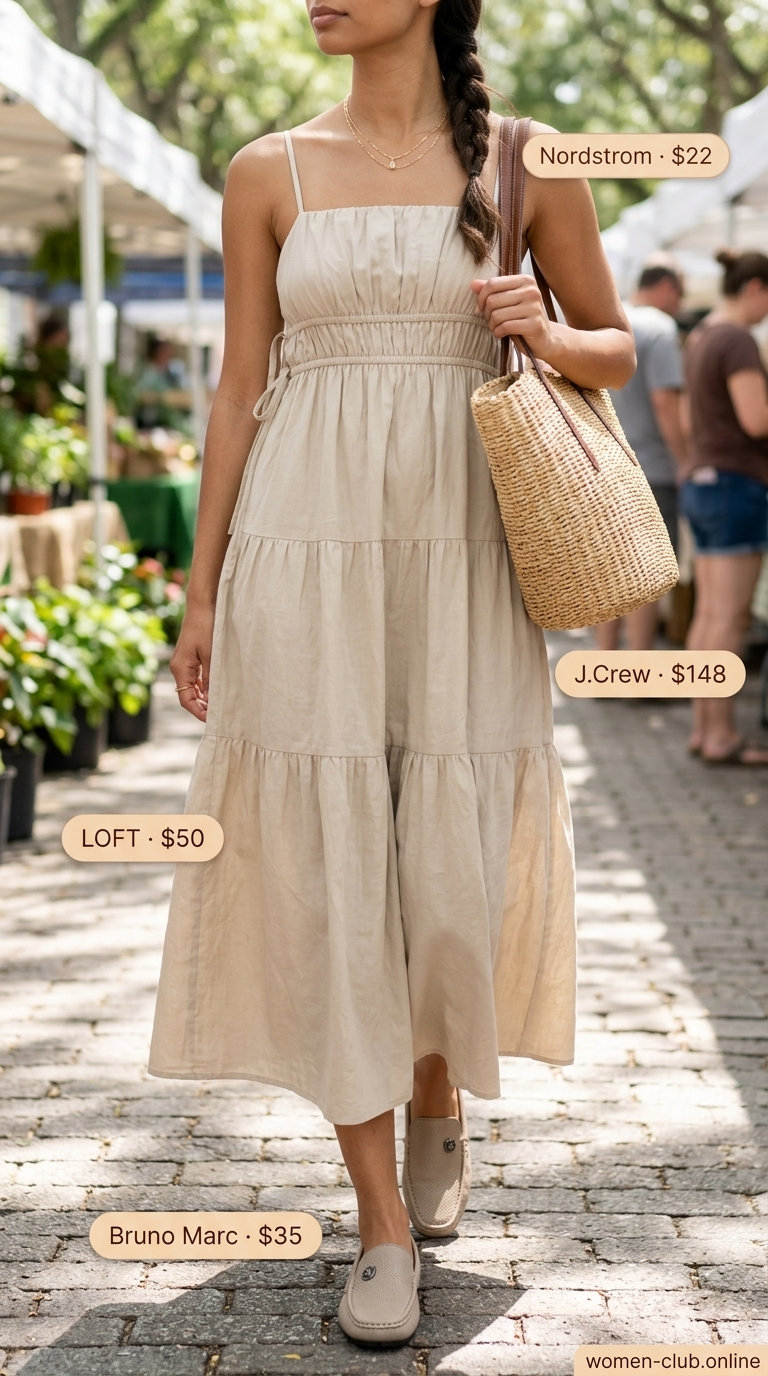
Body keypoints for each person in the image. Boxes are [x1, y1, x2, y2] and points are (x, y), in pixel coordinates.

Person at [148, 0, 635, 1347]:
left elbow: (618, 350)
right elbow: (238, 389)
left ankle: (438, 1090)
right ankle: (374, 1226)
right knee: (324, 864)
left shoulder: (531, 159)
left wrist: (542, 325)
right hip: (303, 552)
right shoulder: (266, 170)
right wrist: (201, 592)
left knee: (450, 873)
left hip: (465, 549)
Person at [680, 248, 768, 765]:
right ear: (755, 287)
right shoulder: (736, 339)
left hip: (705, 481)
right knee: (729, 619)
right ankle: (721, 736)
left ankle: (703, 729)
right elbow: (756, 420)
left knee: (711, 615)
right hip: (736, 486)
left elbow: (694, 423)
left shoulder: (702, 335)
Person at [595, 260, 687, 652]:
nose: (679, 306)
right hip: (652, 468)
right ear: (666, 287)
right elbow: (666, 402)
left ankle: (603, 663)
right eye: (679, 296)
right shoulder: (660, 329)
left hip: (603, 465)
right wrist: (684, 461)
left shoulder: (608, 323)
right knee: (646, 577)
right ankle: (636, 674)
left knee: (610, 570)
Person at [134, 335, 190, 429]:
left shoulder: (171, 373)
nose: (168, 355)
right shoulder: (149, 372)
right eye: (165, 352)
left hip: (166, 421)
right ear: (157, 352)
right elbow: (140, 394)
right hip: (149, 421)